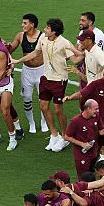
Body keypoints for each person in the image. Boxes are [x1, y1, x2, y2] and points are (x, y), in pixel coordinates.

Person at [14, 18, 84, 151]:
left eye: (47, 28)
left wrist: (85, 54)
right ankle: (54, 135)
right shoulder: (43, 39)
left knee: (58, 109)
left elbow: (75, 59)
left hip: (59, 79)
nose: (44, 30)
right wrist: (19, 61)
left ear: (54, 31)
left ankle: (65, 137)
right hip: (45, 78)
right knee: (43, 106)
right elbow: (35, 53)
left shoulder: (64, 43)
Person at [5, 13, 45, 134]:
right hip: (27, 71)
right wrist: (7, 46)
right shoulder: (20, 36)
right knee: (27, 98)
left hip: (41, 71)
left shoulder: (43, 36)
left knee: (43, 99)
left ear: (32, 25)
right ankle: (31, 122)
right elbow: (10, 51)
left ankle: (44, 121)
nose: (22, 25)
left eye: (25, 23)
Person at [62, 99, 102, 176]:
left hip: (94, 152)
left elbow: (101, 130)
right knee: (84, 178)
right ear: (88, 109)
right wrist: (82, 144)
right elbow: (66, 137)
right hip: (82, 154)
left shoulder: (96, 116)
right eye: (96, 109)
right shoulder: (75, 121)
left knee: (91, 174)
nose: (98, 111)